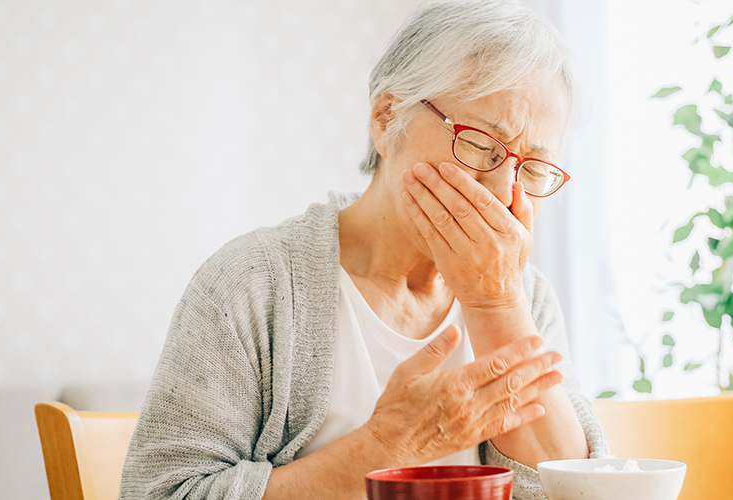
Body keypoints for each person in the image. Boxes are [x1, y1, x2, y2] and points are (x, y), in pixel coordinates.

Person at [118, 1, 609, 499]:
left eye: (532, 169)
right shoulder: (253, 285)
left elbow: (572, 490)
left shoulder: (525, 295)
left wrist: (497, 302)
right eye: (482, 145)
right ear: (386, 118)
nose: (504, 194)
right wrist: (385, 446)